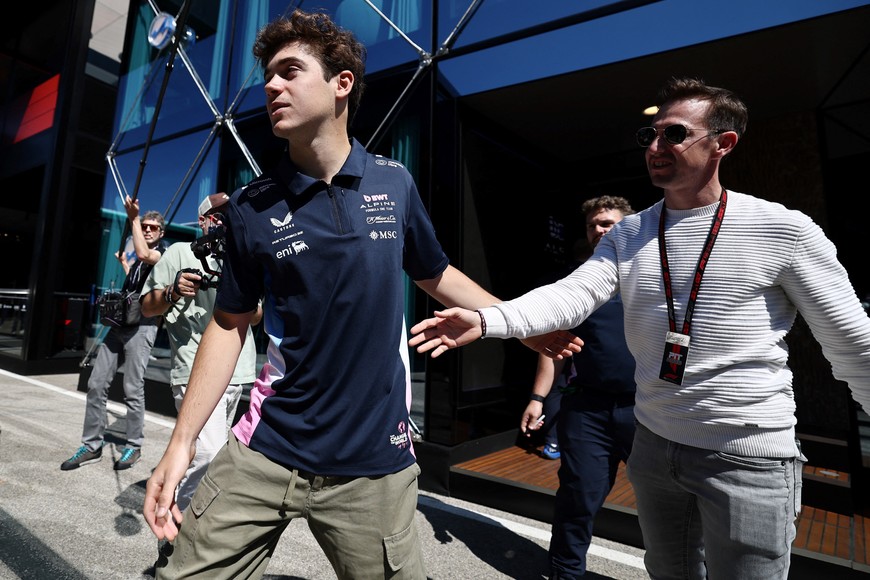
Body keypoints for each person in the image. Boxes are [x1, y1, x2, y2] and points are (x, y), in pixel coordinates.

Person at [141, 10, 577, 579]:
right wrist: (181, 445)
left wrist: (518, 325)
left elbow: (436, 274)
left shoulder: (394, 182)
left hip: (375, 465)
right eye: (268, 75)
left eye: (290, 71)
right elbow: (229, 324)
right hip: (265, 451)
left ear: (341, 83)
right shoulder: (252, 206)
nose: (272, 85)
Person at [409, 76, 870, 579]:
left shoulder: (784, 229)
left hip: (746, 457)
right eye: (649, 135)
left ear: (724, 143)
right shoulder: (630, 233)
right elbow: (573, 294)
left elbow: (854, 346)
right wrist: (487, 319)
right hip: (653, 447)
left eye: (674, 134)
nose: (655, 147)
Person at [521, 195, 637, 579]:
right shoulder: (576, 282)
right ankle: (564, 573)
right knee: (576, 499)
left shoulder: (653, 274)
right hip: (588, 408)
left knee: (669, 505)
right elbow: (553, 348)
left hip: (648, 409)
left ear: (630, 225)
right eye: (592, 225)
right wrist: (538, 399)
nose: (599, 230)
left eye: (607, 222)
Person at [140, 192, 261, 514]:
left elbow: (259, 314)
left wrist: (238, 294)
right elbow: (147, 307)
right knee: (205, 454)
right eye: (217, 216)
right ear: (204, 220)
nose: (223, 222)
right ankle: (176, 527)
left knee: (218, 457)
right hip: (194, 370)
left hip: (238, 372)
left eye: (228, 216)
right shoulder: (179, 252)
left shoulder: (242, 258)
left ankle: (199, 524)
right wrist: (173, 290)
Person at [62, 196, 167, 471]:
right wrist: (123, 263)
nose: (146, 230)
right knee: (96, 384)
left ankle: (133, 446)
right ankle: (92, 444)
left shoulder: (161, 255)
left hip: (142, 328)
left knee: (133, 388)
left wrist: (132, 217)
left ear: (161, 233)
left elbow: (145, 255)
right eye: (144, 226)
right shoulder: (141, 260)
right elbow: (135, 277)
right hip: (120, 325)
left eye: (152, 227)